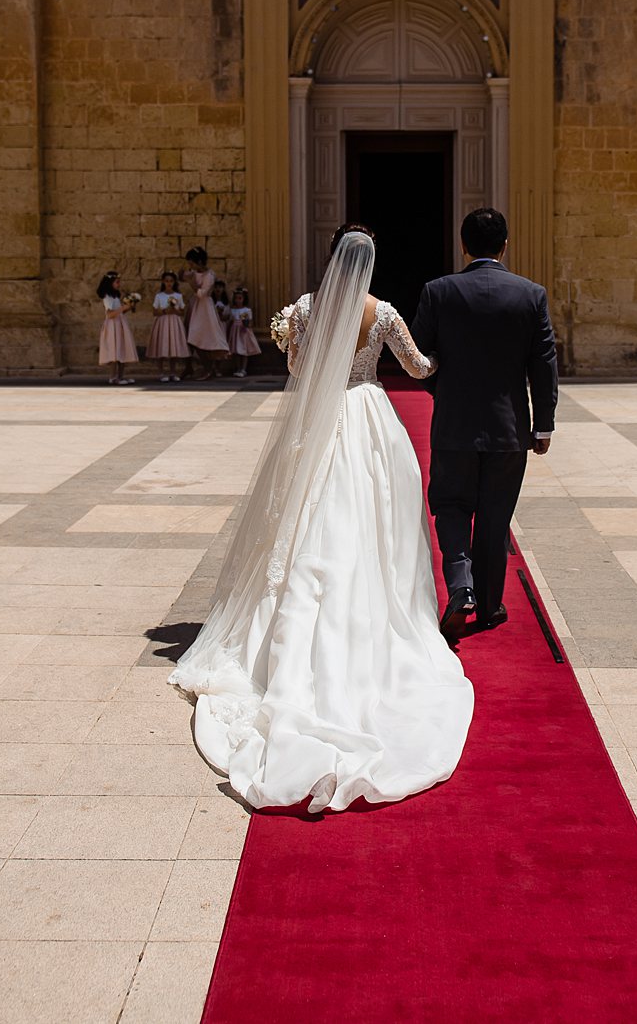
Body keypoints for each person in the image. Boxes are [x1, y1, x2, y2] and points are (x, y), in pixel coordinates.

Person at [170, 226, 472, 812]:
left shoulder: (306, 309)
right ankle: (371, 597)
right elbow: (418, 368)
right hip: (368, 417)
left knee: (311, 512)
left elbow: (298, 370)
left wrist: (292, 340)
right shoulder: (383, 313)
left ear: (331, 258)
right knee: (374, 514)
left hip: (322, 418)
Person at [410, 207, 560, 640]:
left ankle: (461, 587)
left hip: (454, 424)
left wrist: (444, 392)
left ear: (463, 244)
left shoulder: (439, 291)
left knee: (451, 505)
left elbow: (418, 358)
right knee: (495, 515)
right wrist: (543, 424)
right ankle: (491, 605)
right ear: (505, 245)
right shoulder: (531, 295)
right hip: (509, 426)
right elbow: (544, 362)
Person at [183, 247, 230, 378]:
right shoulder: (194, 272)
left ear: (199, 262)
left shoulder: (210, 275)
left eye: (192, 263)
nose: (190, 266)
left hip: (204, 309)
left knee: (199, 336)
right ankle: (188, 367)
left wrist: (192, 282)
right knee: (188, 335)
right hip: (195, 306)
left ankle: (208, 368)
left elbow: (203, 294)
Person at [97, 272, 138, 386]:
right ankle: (113, 377)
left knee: (121, 349)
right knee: (114, 351)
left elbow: (120, 311)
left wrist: (129, 307)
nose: (119, 284)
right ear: (110, 283)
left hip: (119, 324)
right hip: (112, 326)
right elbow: (110, 314)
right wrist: (122, 307)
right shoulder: (107, 297)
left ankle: (120, 376)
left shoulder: (115, 296)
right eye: (117, 282)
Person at [149, 271, 190, 382]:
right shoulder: (159, 296)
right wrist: (164, 311)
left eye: (171, 281)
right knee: (162, 347)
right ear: (163, 282)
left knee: (173, 347)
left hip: (174, 322)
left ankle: (173, 372)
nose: (169, 283)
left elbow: (182, 311)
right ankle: (161, 372)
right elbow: (154, 311)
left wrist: (174, 310)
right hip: (162, 322)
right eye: (166, 281)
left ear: (174, 282)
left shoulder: (178, 296)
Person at [227, 288, 262, 378]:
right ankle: (238, 368)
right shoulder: (232, 310)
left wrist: (246, 324)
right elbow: (230, 321)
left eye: (240, 298)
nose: (238, 300)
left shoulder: (247, 310)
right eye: (236, 298)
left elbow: (250, 322)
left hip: (243, 332)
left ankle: (243, 369)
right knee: (236, 351)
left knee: (243, 350)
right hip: (235, 331)